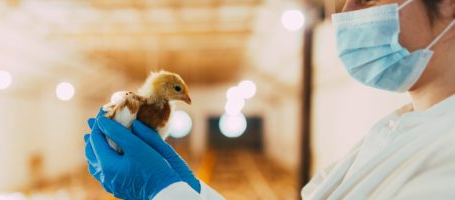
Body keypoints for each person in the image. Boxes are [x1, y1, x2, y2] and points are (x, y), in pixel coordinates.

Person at [84, 0, 454, 199]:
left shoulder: (444, 163)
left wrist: (167, 192)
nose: (345, 15)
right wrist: (191, 190)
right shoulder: (397, 130)